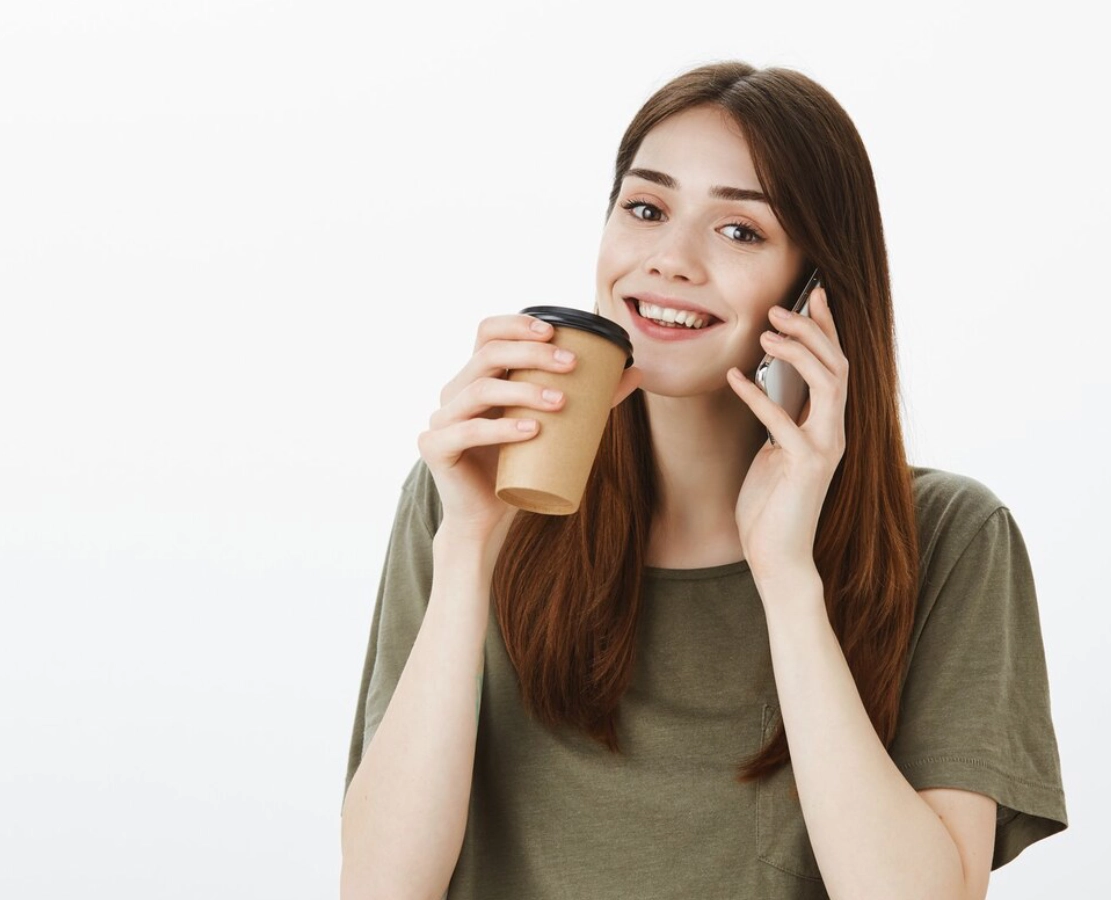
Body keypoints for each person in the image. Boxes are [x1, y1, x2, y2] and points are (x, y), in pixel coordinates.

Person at [340, 61, 1068, 900]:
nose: (670, 261)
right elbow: (381, 888)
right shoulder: (468, 491)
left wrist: (788, 576)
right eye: (645, 210)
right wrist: (468, 546)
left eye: (739, 231)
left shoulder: (947, 536)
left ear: (818, 289)